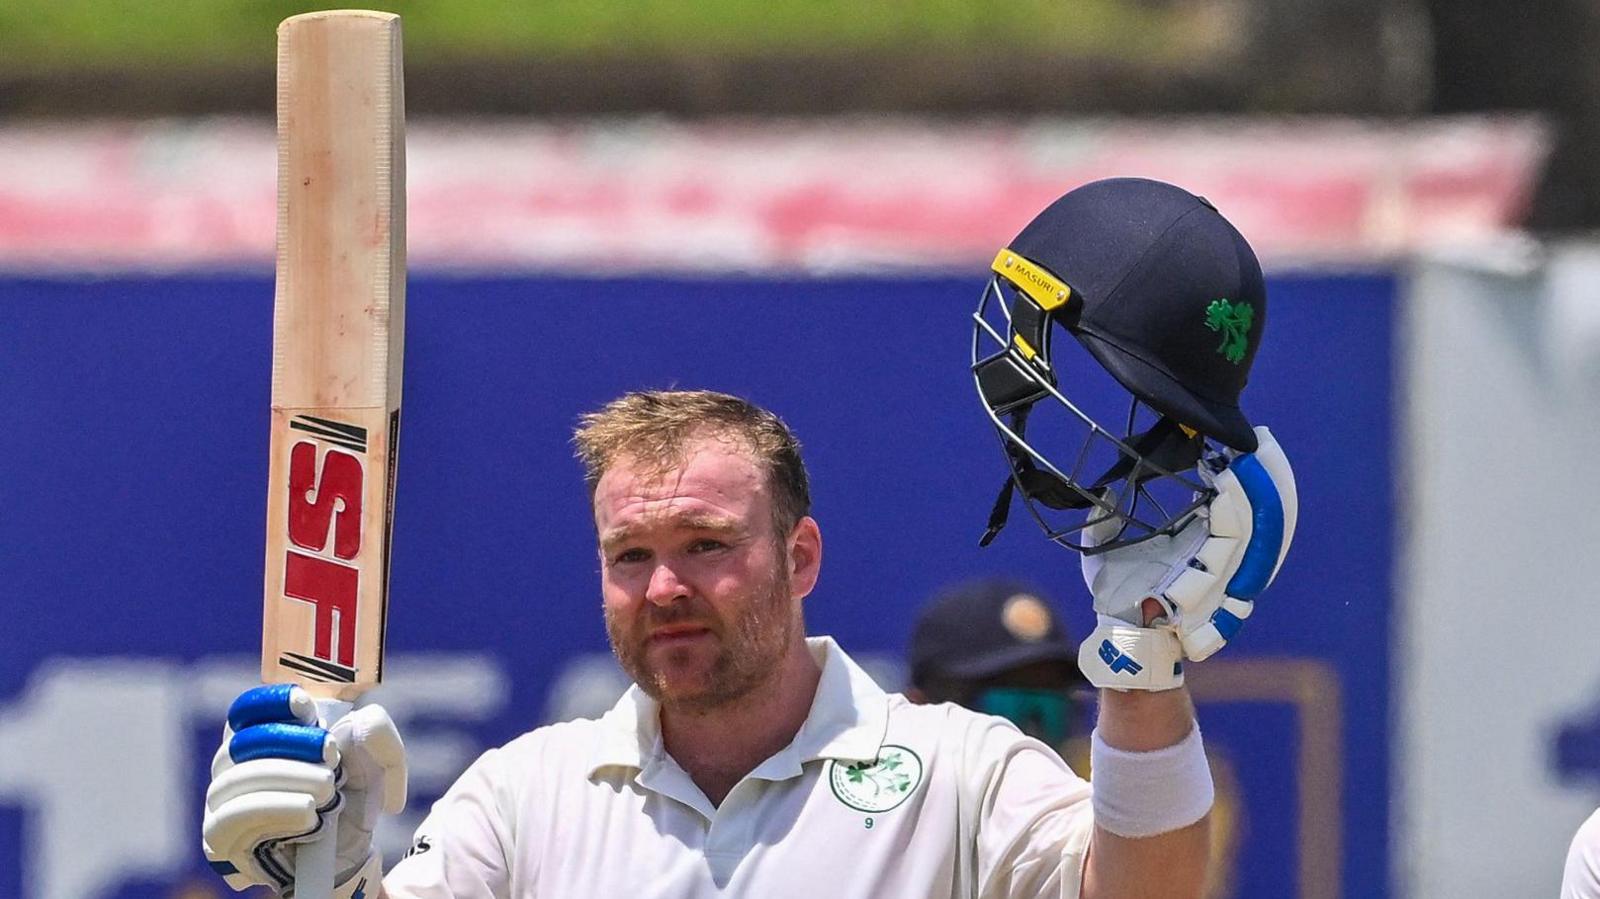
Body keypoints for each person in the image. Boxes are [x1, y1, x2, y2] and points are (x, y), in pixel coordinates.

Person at [202, 178, 1299, 899]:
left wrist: (1143, 671)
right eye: (630, 555)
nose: (666, 583)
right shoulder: (525, 798)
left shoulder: (952, 776)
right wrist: (325, 876)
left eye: (707, 543)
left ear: (801, 556)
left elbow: (1149, 888)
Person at [906, 579, 1088, 759]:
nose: (1033, 737)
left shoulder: (1092, 785)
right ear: (919, 708)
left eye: (1052, 709)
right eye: (1005, 708)